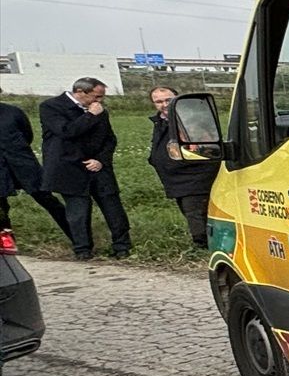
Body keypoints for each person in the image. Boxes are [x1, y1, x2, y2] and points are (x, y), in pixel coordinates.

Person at [39, 77, 131, 260]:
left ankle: (122, 246)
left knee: (113, 207)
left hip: (98, 166)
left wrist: (101, 160)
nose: (100, 101)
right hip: (69, 167)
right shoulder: (51, 107)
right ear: (80, 92)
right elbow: (66, 131)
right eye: (96, 96)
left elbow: (109, 139)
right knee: (78, 211)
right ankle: (83, 249)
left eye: (102, 97)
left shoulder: (99, 110)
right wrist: (89, 116)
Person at [145, 87, 217, 248]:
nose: (164, 105)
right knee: (189, 211)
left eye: (168, 100)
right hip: (174, 178)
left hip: (195, 175)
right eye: (158, 101)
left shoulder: (193, 120)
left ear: (177, 99)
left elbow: (208, 146)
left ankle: (203, 246)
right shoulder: (160, 121)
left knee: (196, 213)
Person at [0, 100, 71, 240]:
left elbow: (27, 135)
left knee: (47, 199)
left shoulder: (13, 112)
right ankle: (7, 243)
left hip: (23, 164)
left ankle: (79, 239)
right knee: (1, 206)